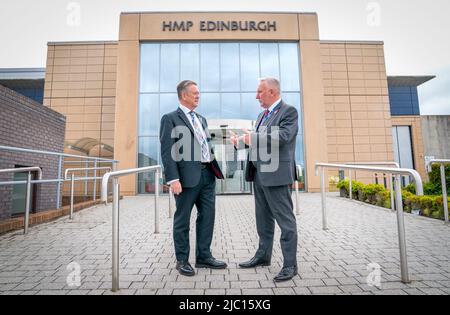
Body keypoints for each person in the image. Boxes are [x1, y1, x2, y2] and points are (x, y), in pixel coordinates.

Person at [230, 77, 299, 282]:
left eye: (259, 92)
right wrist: (239, 143)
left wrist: (254, 137)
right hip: (260, 174)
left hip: (277, 176)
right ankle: (263, 256)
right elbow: (258, 141)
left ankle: (290, 265)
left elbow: (284, 136)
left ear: (272, 91)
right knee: (263, 220)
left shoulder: (288, 112)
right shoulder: (262, 115)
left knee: (285, 222)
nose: (256, 96)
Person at [160, 80, 226, 277]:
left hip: (207, 175)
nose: (198, 96)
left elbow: (204, 145)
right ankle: (182, 260)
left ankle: (204, 257)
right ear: (183, 95)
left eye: (199, 93)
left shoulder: (201, 119)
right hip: (185, 179)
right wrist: (173, 179)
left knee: (207, 218)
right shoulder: (170, 118)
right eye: (195, 93)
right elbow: (167, 151)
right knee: (182, 220)